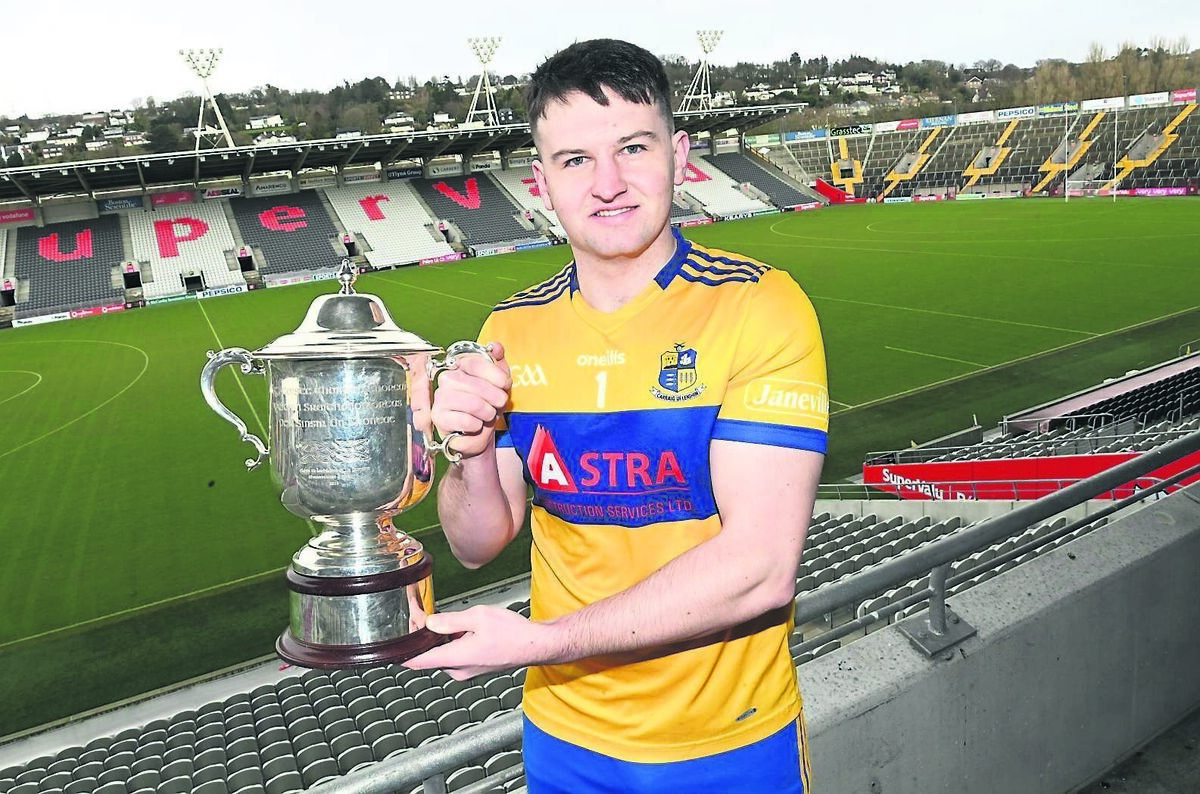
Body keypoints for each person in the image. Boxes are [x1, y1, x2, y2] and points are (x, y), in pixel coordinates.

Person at [405, 38, 827, 793]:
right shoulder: (510, 330)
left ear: (679, 155)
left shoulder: (759, 306)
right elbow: (475, 544)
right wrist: (469, 452)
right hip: (564, 741)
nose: (607, 184)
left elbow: (762, 568)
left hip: (730, 742)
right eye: (575, 160)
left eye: (633, 147)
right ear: (541, 182)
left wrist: (541, 643)